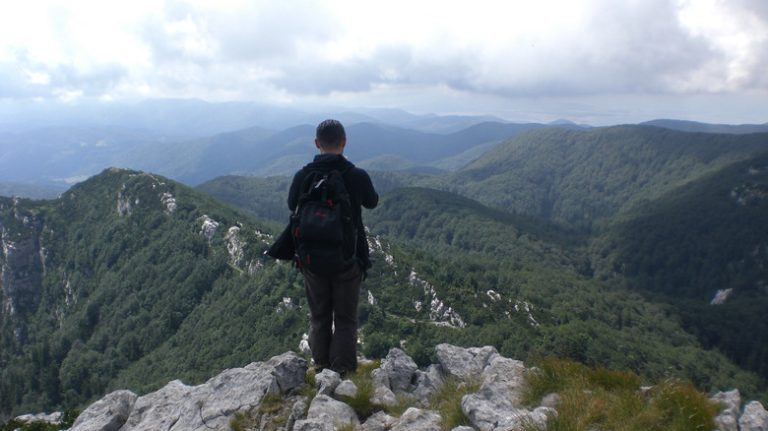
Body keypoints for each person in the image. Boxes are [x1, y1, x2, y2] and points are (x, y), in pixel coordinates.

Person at [287, 119, 378, 375]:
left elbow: (291, 203)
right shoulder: (356, 175)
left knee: (319, 317)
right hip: (348, 258)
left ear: (317, 144)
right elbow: (372, 202)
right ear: (344, 141)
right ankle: (343, 373)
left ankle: (321, 367)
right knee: (346, 320)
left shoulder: (304, 175)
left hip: (312, 261)